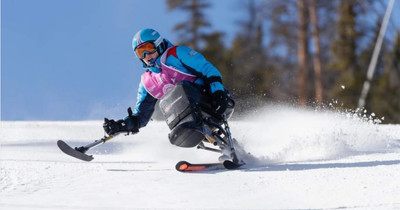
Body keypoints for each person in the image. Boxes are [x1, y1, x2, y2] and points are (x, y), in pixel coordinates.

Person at [103, 28, 230, 136]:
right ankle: (197, 135)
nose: (147, 55)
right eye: (141, 52)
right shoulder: (148, 81)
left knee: (181, 88)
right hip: (185, 119)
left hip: (212, 101)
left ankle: (197, 126)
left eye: (149, 48)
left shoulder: (176, 54)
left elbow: (208, 70)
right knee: (166, 102)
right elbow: (141, 115)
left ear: (158, 44)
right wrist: (122, 125)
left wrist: (218, 93)